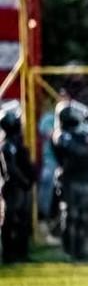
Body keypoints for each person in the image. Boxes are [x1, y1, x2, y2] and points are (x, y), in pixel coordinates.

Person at [52, 102, 88, 261]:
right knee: (70, 215)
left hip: (84, 178)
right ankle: (69, 250)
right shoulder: (61, 134)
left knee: (84, 216)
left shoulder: (79, 133)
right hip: (69, 179)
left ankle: (80, 248)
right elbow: (79, 151)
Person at [0, 106, 34, 263]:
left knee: (23, 221)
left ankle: (22, 252)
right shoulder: (7, 145)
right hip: (13, 188)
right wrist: (24, 180)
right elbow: (10, 169)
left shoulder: (17, 144)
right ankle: (9, 253)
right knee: (11, 220)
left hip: (21, 187)